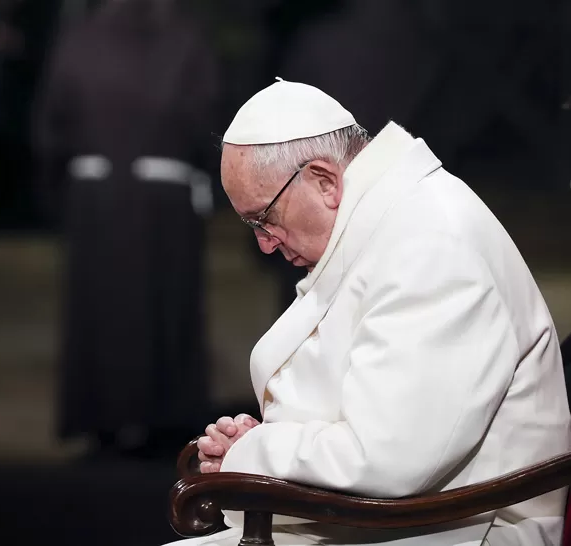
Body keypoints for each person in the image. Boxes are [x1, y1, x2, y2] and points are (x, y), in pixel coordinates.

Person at [163, 79, 571, 545]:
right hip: (394, 518)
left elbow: (391, 455)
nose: (263, 242)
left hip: (464, 528)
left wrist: (255, 454)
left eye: (265, 218)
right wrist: (264, 437)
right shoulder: (382, 221)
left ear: (324, 180)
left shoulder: (432, 244)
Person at [32, 0, 220, 456]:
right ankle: (165, 415)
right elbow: (209, 119)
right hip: (165, 198)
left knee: (102, 308)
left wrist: (59, 189)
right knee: (163, 306)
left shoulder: (80, 40)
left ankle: (102, 417)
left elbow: (51, 123)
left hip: (97, 197)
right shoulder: (187, 39)